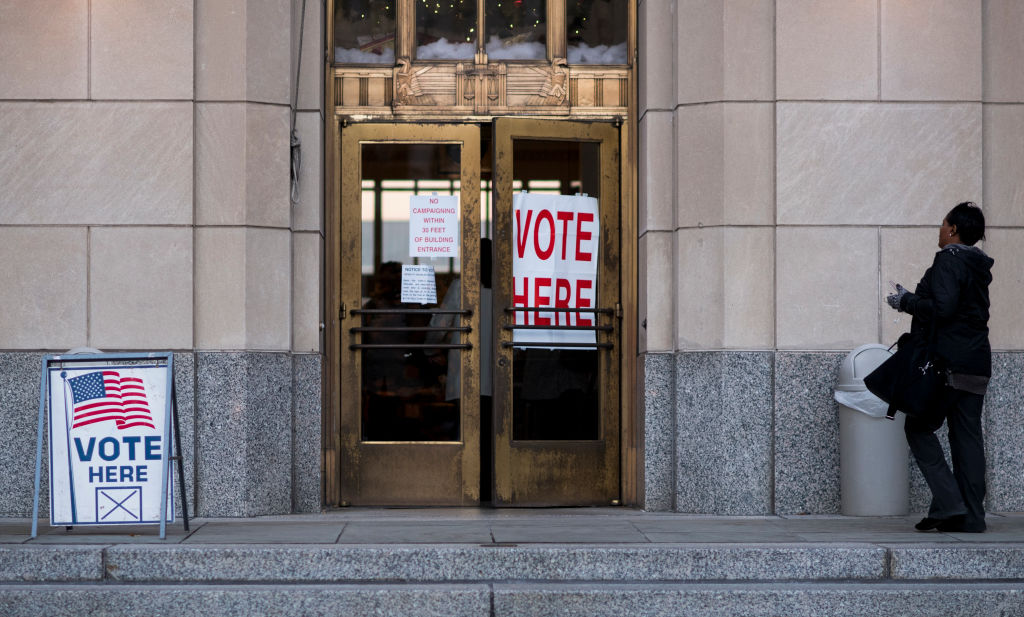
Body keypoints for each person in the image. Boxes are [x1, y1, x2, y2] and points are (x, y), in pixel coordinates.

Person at [886, 202, 993, 533]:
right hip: (977, 361)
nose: (939, 229)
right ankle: (971, 516)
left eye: (943, 223)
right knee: (967, 438)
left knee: (917, 428)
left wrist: (907, 302)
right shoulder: (978, 266)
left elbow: (944, 309)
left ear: (953, 230)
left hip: (949, 363)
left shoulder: (949, 259)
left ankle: (950, 504)